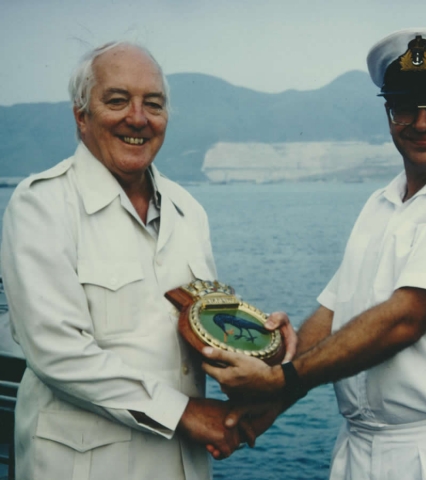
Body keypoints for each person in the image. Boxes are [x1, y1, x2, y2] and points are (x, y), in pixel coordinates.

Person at [201, 28, 426, 480]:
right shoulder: (383, 203)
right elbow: (333, 312)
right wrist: (276, 401)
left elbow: (406, 316)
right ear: (388, 112)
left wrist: (280, 381)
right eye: (404, 106)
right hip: (360, 447)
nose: (420, 122)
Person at [0, 41, 293, 480]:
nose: (137, 118)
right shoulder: (41, 205)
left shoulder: (188, 211)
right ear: (82, 116)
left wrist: (263, 347)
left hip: (181, 465)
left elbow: (203, 326)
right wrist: (184, 412)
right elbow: (57, 351)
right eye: (117, 101)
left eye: (152, 104)